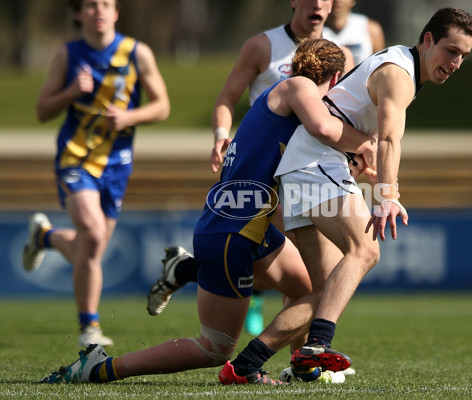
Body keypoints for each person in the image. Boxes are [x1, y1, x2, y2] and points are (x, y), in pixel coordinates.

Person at [41, 39, 374, 385]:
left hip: (249, 225)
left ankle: (194, 276)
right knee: (214, 348)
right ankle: (102, 367)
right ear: (335, 78)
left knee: (313, 289)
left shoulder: (288, 97)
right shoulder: (299, 87)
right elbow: (324, 128)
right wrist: (366, 143)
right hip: (233, 232)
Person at [273, 7, 472, 374]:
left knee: (323, 291)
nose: (457, 62)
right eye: (451, 50)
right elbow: (387, 140)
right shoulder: (400, 74)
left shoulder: (400, 65)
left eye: (463, 55)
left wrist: (366, 168)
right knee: (365, 250)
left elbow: (355, 125)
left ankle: (249, 364)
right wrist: (387, 196)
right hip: (315, 161)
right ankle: (317, 346)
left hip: (304, 163)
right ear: (427, 40)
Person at [22, 0, 170, 348]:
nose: (98, 11)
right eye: (91, 5)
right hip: (76, 158)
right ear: (79, 13)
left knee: (91, 249)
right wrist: (72, 92)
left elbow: (162, 105)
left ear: (117, 12)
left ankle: (45, 237)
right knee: (90, 232)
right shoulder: (67, 55)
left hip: (116, 164)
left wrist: (129, 118)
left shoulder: (138, 53)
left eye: (106, 4)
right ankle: (90, 327)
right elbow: (43, 110)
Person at [207, 0, 353, 337]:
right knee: (313, 277)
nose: (316, 3)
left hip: (309, 172)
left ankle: (191, 268)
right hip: (268, 174)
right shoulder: (263, 46)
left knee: (310, 278)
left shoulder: (340, 55)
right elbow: (227, 98)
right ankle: (301, 356)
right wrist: (220, 135)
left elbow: (341, 115)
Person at [323, 0, 385, 64]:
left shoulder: (371, 29)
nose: (337, 1)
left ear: (353, 1)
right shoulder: (314, 30)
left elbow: (379, 66)